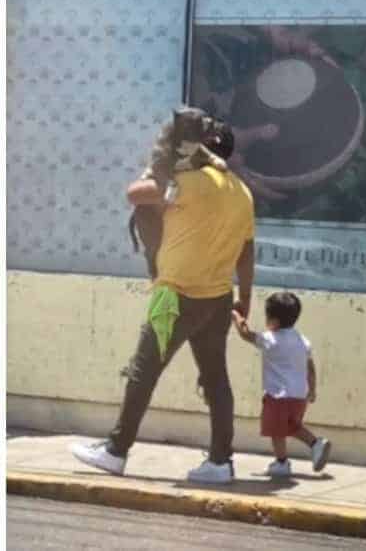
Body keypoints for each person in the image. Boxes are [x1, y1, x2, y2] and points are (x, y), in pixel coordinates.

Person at [71, 121, 254, 484]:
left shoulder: (189, 182)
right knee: (217, 379)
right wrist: (244, 299)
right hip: (218, 298)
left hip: (174, 294)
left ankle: (116, 450)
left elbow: (136, 194)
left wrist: (162, 162)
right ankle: (220, 461)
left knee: (143, 372)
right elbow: (247, 252)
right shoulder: (241, 191)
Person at [232, 292, 331, 477]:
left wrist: (236, 316)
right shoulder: (303, 341)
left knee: (276, 430)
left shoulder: (270, 339)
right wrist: (312, 389)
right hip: (299, 395)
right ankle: (315, 443)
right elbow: (310, 368)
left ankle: (281, 462)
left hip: (278, 395)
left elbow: (245, 334)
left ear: (274, 321)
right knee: (292, 426)